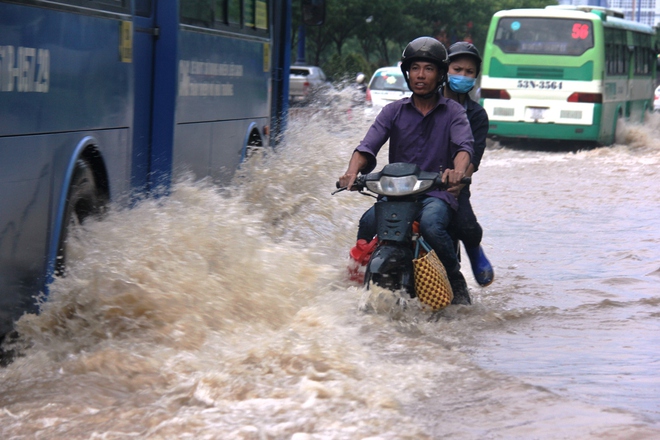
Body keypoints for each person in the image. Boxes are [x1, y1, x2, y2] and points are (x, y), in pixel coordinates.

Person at [339, 36, 475, 305]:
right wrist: (351, 173)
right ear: (407, 73)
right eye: (415, 68)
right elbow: (367, 147)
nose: (420, 75)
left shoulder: (454, 112)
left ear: (440, 75)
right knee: (367, 222)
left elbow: (464, 148)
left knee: (432, 226)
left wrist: (456, 172)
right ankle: (357, 284)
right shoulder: (393, 111)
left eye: (428, 69)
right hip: (396, 195)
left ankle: (454, 278)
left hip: (436, 194)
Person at [442, 42, 494, 287]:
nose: (462, 76)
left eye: (469, 72)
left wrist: (460, 179)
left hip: (455, 182)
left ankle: (473, 252)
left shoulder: (476, 115)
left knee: (466, 226)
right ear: (445, 70)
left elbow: (475, 154)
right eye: (457, 69)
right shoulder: (427, 102)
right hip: (417, 179)